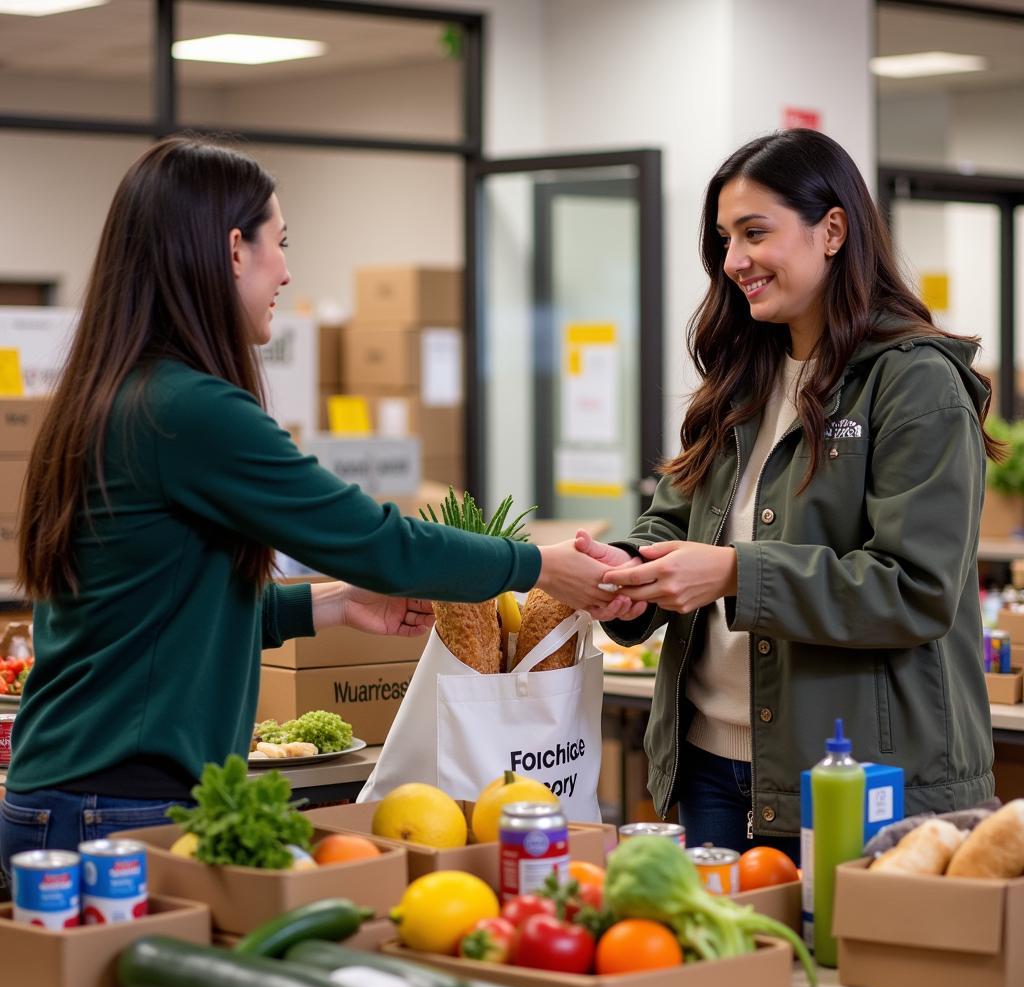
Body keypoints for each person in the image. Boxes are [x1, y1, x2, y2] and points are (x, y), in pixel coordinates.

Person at [0, 136, 614, 871]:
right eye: (279, 244)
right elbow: (376, 540)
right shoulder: (188, 409)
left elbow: (148, 612)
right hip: (117, 807)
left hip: (73, 794)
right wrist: (535, 566)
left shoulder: (113, 394)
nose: (287, 273)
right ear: (233, 250)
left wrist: (324, 607)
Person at [578, 128, 999, 862]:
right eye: (724, 239)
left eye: (754, 233)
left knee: (835, 975)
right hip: (709, 767)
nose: (734, 261)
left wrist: (738, 572)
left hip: (857, 782)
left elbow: (917, 588)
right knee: (729, 974)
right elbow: (674, 519)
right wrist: (623, 571)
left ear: (832, 229)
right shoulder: (742, 377)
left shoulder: (915, 383)